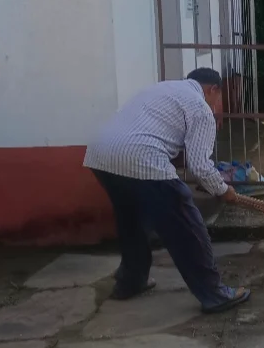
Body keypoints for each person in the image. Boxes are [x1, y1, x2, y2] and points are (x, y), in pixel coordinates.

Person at [83, 68, 251, 313]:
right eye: (218, 96)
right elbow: (200, 165)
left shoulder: (161, 89)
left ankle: (131, 281)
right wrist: (223, 190)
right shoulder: (200, 107)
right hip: (140, 158)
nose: (217, 103)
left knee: (131, 221)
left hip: (100, 156)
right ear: (212, 89)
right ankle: (214, 294)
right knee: (187, 228)